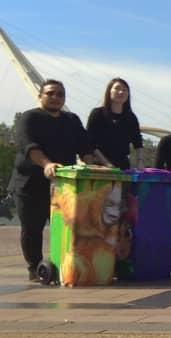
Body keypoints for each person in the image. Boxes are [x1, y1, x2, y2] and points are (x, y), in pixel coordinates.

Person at [9, 80, 102, 279]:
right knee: (32, 228)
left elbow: (84, 146)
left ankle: (65, 264)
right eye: (50, 93)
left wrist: (88, 163)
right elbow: (29, 146)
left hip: (63, 185)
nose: (55, 97)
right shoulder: (30, 117)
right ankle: (35, 268)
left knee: (66, 226)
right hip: (30, 184)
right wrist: (47, 164)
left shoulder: (71, 120)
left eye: (60, 94)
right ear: (40, 96)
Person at [86, 77, 142, 169]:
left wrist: (140, 161)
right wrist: (106, 163)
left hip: (123, 165)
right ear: (109, 91)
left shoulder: (131, 117)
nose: (121, 92)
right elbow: (90, 142)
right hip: (100, 166)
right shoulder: (97, 114)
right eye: (117, 88)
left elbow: (138, 141)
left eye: (124, 90)